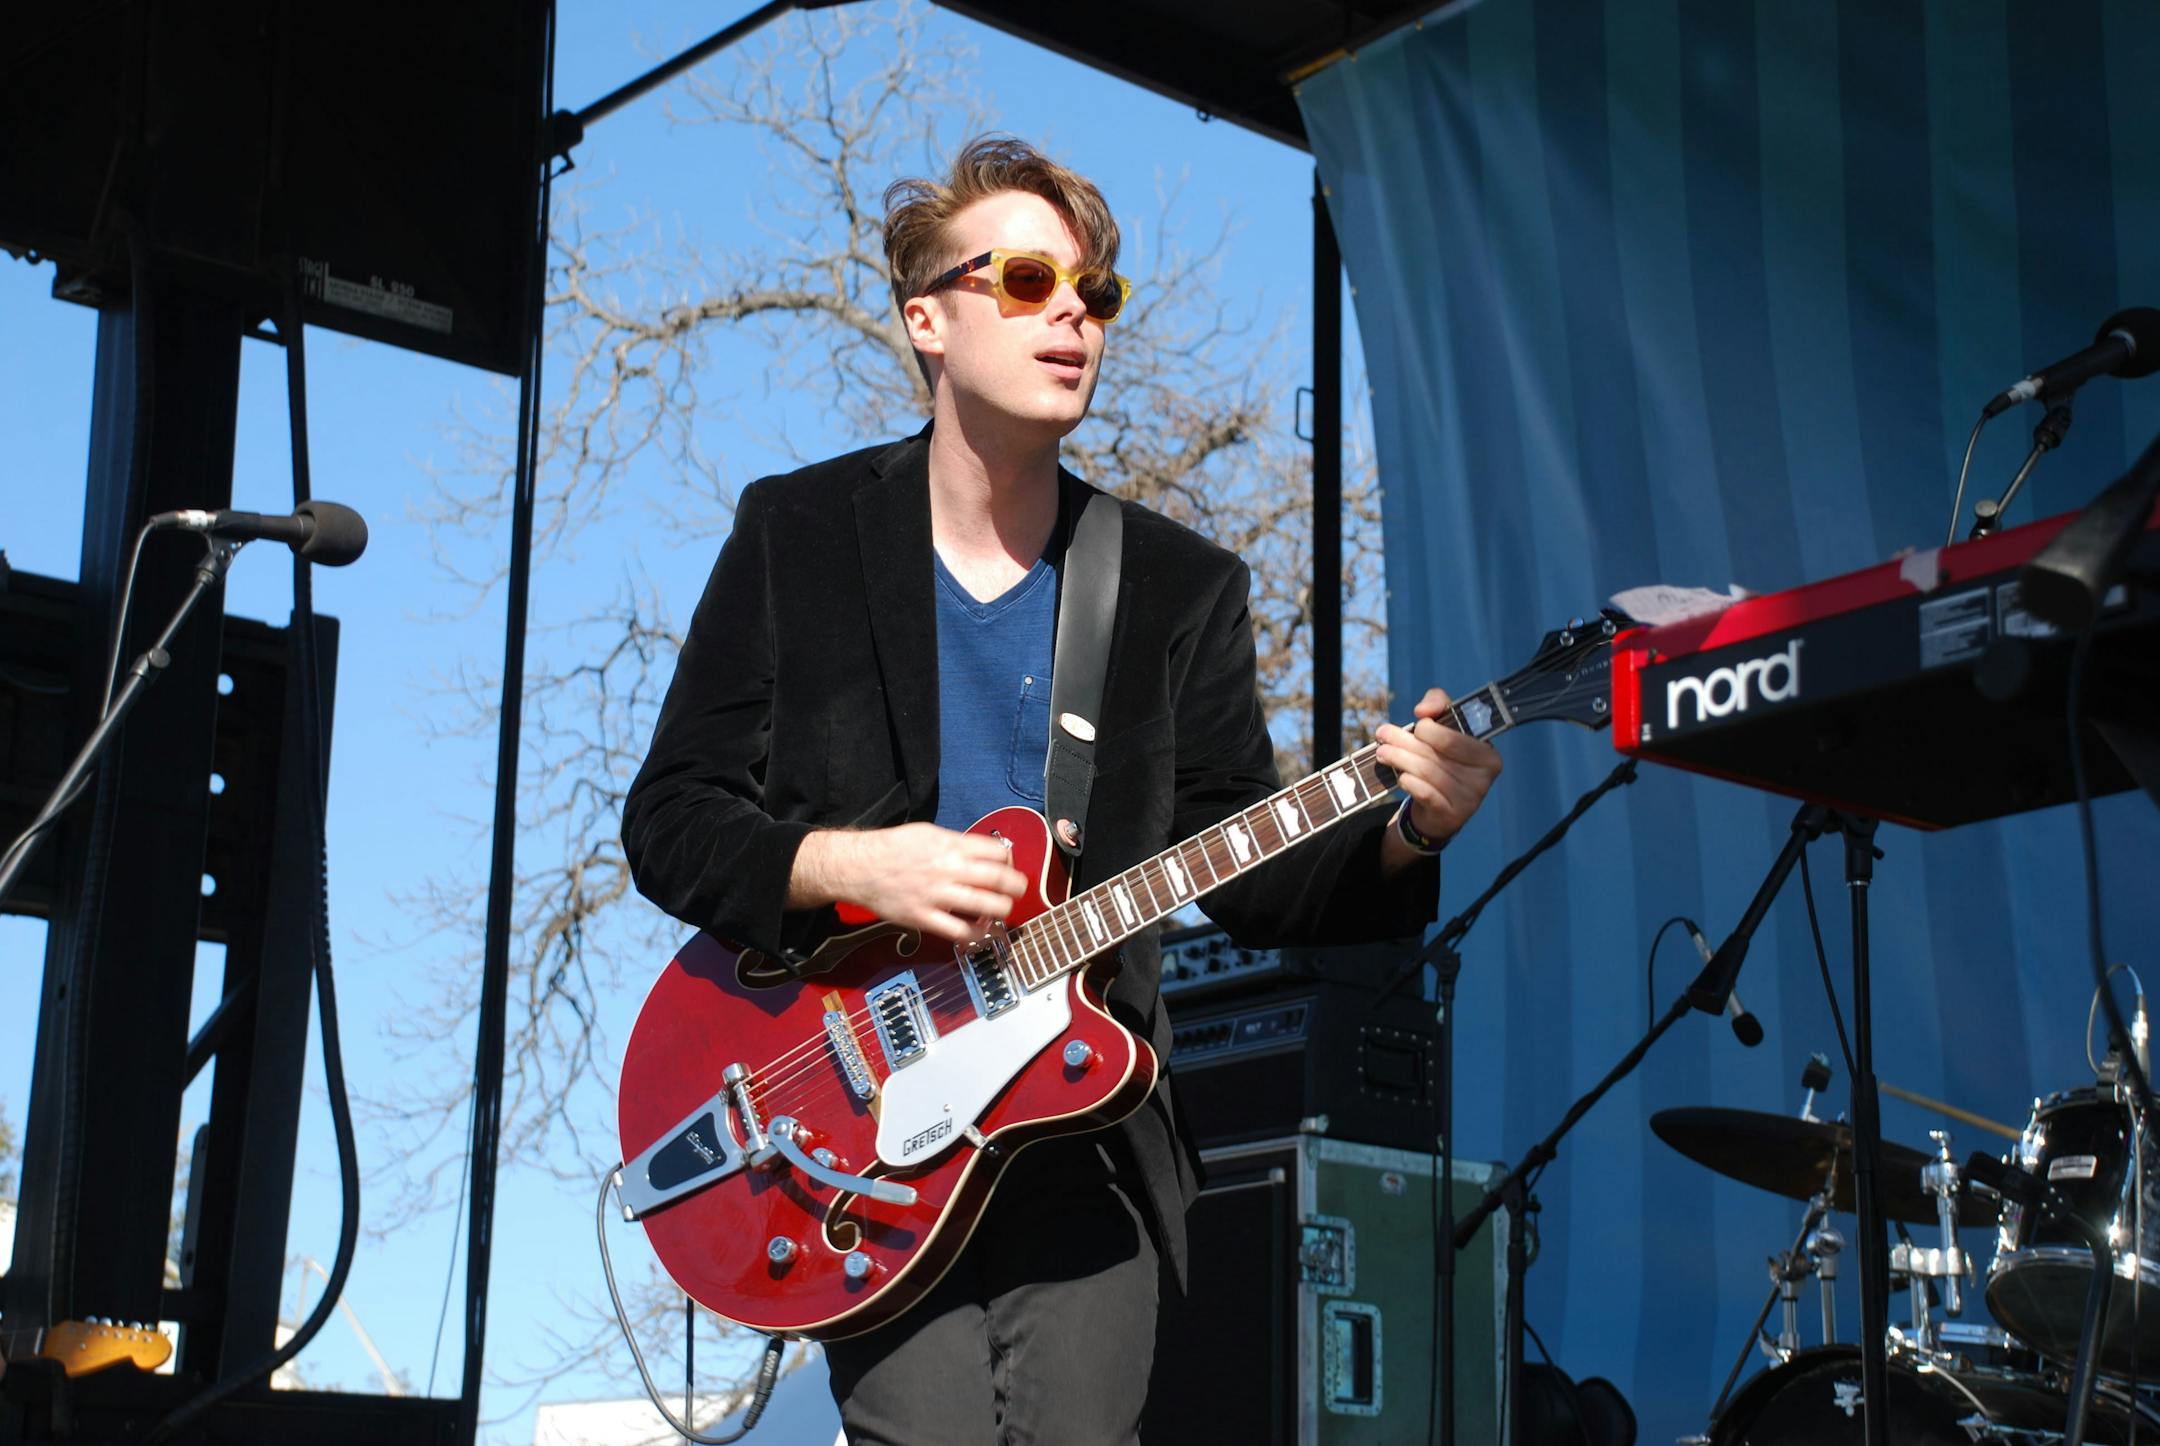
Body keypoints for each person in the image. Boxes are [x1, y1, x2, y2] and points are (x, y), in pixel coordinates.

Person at [621, 135, 1502, 1446]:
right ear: (930, 318)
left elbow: (1242, 867)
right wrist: (854, 867)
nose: (1073, 315)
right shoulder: (796, 535)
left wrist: (1408, 828)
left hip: (1084, 1127)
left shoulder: (1175, 588)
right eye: (1028, 281)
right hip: (855, 1118)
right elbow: (673, 818)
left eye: (1096, 293)